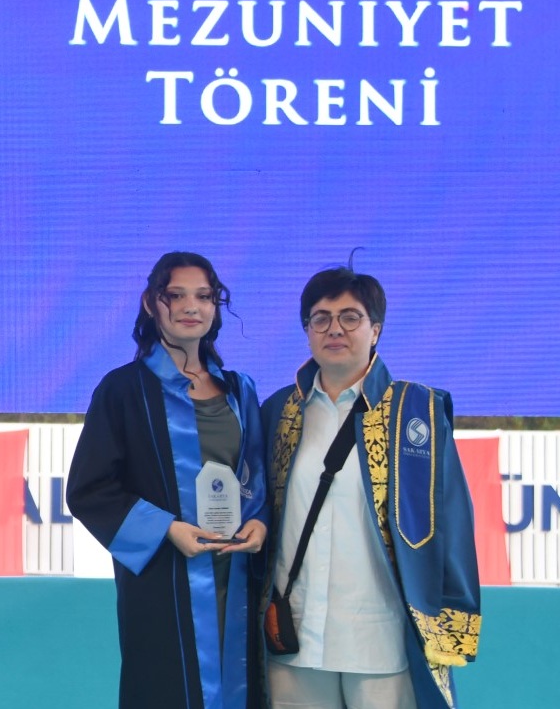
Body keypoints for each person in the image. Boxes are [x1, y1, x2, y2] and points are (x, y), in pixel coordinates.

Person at [259, 260, 481, 709]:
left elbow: (452, 518)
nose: (334, 329)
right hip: (294, 636)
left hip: (379, 638)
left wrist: (454, 614)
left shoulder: (416, 412)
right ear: (307, 331)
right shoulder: (279, 411)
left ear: (375, 330)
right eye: (320, 318)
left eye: (350, 317)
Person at [67, 251, 268, 709]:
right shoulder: (123, 390)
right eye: (175, 295)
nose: (191, 307)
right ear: (150, 303)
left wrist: (260, 522)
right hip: (165, 582)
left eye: (204, 296)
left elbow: (256, 479)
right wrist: (167, 529)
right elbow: (89, 489)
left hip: (236, 577)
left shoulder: (241, 390)